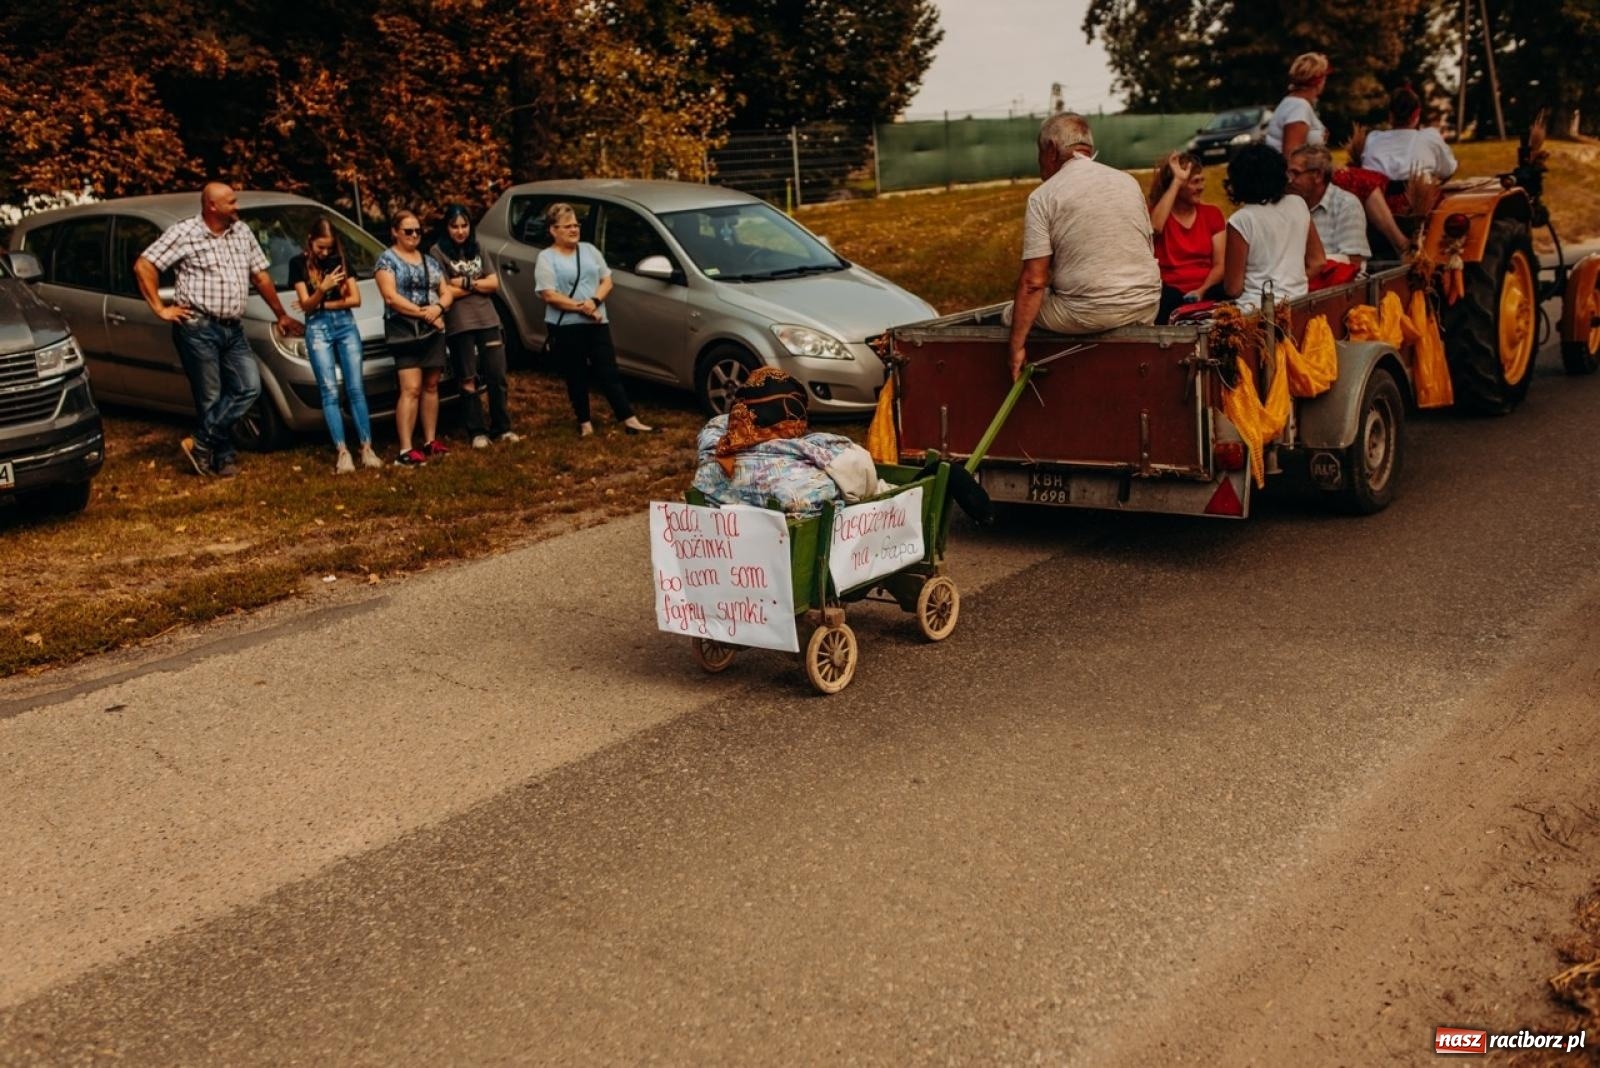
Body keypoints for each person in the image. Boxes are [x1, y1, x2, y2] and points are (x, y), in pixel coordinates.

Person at [134, 182, 304, 478]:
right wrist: (160, 308)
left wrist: (281, 315)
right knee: (211, 396)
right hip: (198, 326)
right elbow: (144, 266)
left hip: (232, 328)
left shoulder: (242, 231)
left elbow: (260, 276)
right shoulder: (184, 232)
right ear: (212, 206)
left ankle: (200, 443)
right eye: (231, 202)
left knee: (249, 387)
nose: (236, 207)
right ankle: (222, 458)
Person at [1006, 112, 1161, 380]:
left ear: (1052, 150)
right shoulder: (1128, 181)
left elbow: (1033, 282)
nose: (1039, 162)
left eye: (1039, 153)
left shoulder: (1043, 197)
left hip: (1089, 313)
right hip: (1146, 305)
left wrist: (1016, 346)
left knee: (1012, 314)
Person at [1265, 52, 1412, 256]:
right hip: (1303, 175)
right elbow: (1291, 154)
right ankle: (1400, 243)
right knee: (1368, 183)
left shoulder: (1293, 104)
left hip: (1310, 169)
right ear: (1319, 80)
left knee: (1368, 176)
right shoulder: (1298, 108)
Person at [535, 202, 655, 436]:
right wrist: (582, 308)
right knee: (576, 374)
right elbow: (548, 294)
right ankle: (584, 422)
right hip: (567, 326)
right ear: (553, 230)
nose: (573, 229)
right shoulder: (546, 258)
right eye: (567, 226)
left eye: (576, 224)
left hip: (597, 321)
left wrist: (593, 303)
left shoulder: (589, 250)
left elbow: (607, 280)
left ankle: (628, 418)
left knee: (608, 370)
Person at [289, 218, 382, 473]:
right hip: (318, 328)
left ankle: (366, 447)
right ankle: (342, 452)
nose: (325, 253)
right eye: (320, 248)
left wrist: (319, 303)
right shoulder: (297, 264)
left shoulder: (340, 262)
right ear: (310, 241)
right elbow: (305, 303)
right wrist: (322, 289)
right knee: (329, 390)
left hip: (345, 326)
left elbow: (355, 300)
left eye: (329, 248)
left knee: (355, 387)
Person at [432, 204, 518, 449]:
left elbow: (494, 284)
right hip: (460, 324)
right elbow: (444, 289)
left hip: (488, 319)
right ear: (446, 228)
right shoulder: (437, 252)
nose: (460, 231)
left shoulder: (478, 247)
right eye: (455, 226)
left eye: (464, 226)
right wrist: (476, 283)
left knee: (497, 375)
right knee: (467, 378)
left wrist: (467, 283)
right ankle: (476, 431)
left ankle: (502, 427)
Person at [375, 210, 452, 467]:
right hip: (405, 330)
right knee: (410, 388)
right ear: (395, 232)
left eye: (418, 231)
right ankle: (405, 449)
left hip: (433, 330)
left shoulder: (430, 261)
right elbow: (390, 297)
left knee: (431, 386)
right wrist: (425, 314)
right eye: (408, 231)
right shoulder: (387, 261)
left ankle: (430, 441)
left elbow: (446, 291)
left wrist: (438, 308)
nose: (414, 235)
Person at [1222, 144, 1326, 306]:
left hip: (1256, 310)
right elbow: (1318, 261)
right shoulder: (1298, 204)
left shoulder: (1241, 219)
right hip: (1298, 303)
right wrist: (1288, 284)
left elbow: (1233, 288)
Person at [1345, 86, 1459, 219]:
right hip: (1418, 211)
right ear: (1417, 114)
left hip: (1374, 214)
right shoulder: (1429, 138)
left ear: (1390, 115)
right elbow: (1449, 170)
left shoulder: (1373, 139)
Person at [1148, 151, 1226, 323]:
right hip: (1169, 293)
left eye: (1202, 180)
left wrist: (1201, 291)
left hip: (1206, 289)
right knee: (1166, 298)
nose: (1201, 187)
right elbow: (1154, 228)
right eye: (1195, 182)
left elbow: (1220, 265)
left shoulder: (1212, 214)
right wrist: (1176, 181)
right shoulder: (1159, 215)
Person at [1289, 144, 1371, 285]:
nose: (1290, 180)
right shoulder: (1289, 204)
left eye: (1296, 174)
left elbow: (1354, 261)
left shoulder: (1347, 204)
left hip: (1336, 291)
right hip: (1297, 284)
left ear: (1318, 175)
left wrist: (1310, 263)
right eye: (1288, 174)